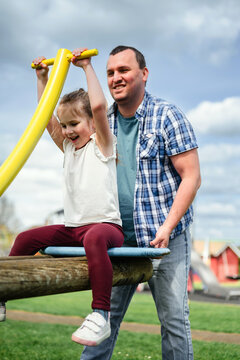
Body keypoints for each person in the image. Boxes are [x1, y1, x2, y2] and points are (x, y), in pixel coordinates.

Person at [80, 46, 201, 360]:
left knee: (174, 320)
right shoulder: (104, 122)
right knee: (102, 319)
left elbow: (191, 177)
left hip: (165, 240)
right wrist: (44, 81)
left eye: (124, 70)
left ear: (144, 74)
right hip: (120, 241)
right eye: (110, 72)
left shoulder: (167, 115)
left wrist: (167, 226)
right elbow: (60, 133)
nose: (116, 77)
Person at [0, 48, 124, 347]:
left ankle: (100, 315)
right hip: (72, 229)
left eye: (74, 124)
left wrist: (87, 67)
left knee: (94, 238)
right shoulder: (69, 148)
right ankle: (2, 297)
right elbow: (46, 118)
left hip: (106, 228)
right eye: (65, 125)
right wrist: (43, 78)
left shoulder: (103, 145)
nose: (67, 131)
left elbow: (97, 106)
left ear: (93, 124)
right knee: (24, 240)